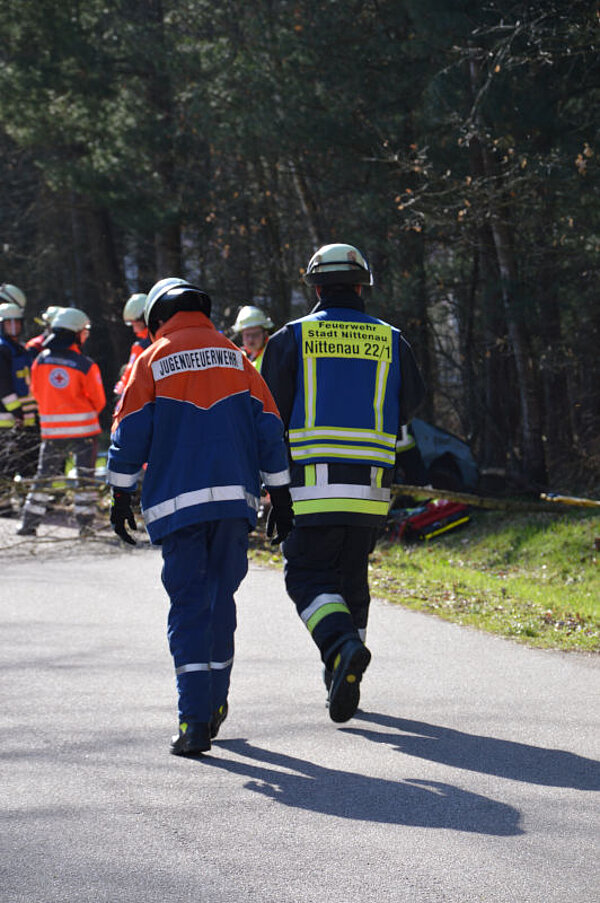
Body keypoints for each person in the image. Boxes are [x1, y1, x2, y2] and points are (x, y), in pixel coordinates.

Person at [107, 277, 293, 757]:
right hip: (235, 505)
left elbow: (129, 432)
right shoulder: (236, 358)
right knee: (220, 602)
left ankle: (194, 721)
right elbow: (270, 427)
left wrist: (120, 495)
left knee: (189, 606)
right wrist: (281, 494)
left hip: (177, 506)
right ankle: (213, 705)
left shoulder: (151, 361)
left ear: (156, 318)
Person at [261, 242, 425, 723]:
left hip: (308, 488)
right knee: (351, 577)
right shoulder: (392, 339)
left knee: (307, 576)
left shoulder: (291, 338)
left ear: (314, 287)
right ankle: (342, 673)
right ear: (361, 286)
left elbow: (267, 415)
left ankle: (340, 646)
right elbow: (411, 402)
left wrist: (271, 488)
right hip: (371, 491)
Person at [17, 307, 106, 537]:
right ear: (76, 333)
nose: (86, 336)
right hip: (84, 432)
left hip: (51, 432)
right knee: (85, 477)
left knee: (43, 477)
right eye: (84, 332)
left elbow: (35, 393)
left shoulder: (40, 360)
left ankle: (29, 523)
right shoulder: (85, 364)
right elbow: (99, 401)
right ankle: (85, 526)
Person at [0, 301, 39, 514]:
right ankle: (3, 505)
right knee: (5, 462)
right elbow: (3, 384)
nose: (14, 327)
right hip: (6, 417)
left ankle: (29, 502)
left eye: (17, 322)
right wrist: (16, 411)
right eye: (9, 323)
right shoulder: (2, 349)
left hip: (26, 415)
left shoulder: (20, 349)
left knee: (27, 461)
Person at [113, 293, 151, 397]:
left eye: (133, 323)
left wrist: (121, 386)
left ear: (143, 319)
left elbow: (130, 373)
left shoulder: (140, 347)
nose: (133, 328)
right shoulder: (165, 337)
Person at [232, 304, 274, 372]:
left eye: (255, 334)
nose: (251, 339)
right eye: (247, 335)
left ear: (265, 334)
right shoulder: (239, 356)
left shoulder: (273, 355)